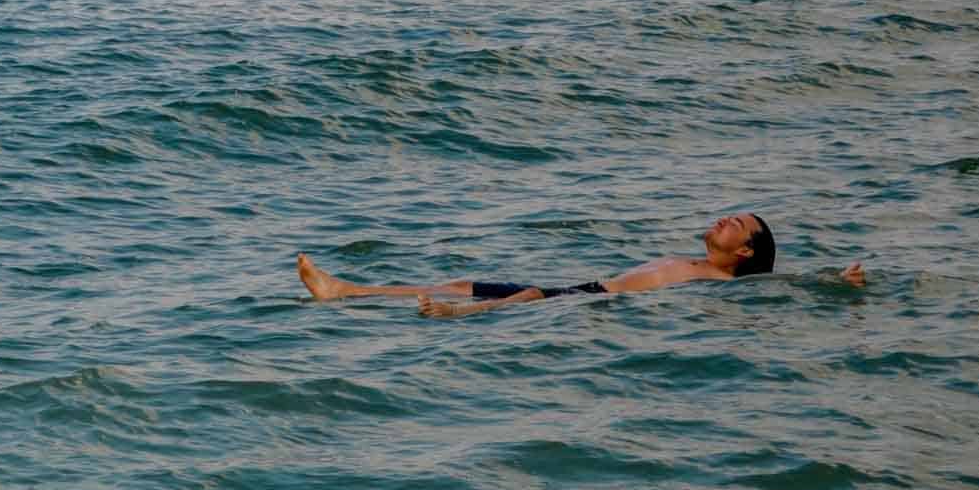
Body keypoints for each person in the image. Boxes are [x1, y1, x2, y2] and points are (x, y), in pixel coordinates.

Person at [296, 213, 864, 317]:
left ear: (744, 253)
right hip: (584, 286)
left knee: (519, 299)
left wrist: (834, 283)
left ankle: (452, 316)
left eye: (736, 225)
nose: (722, 220)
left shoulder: (722, 282)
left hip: (595, 299)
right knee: (461, 279)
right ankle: (345, 290)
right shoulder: (696, 261)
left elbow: (779, 287)